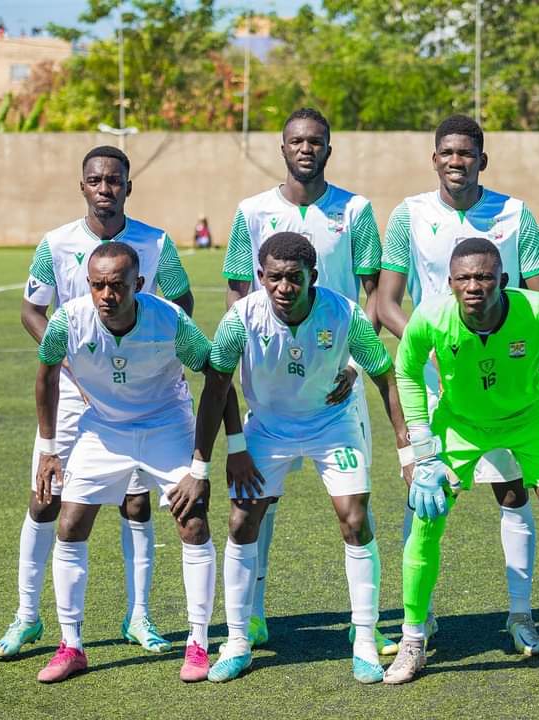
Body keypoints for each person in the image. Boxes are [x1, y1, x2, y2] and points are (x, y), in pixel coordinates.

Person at [0, 145, 194, 660]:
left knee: (136, 499)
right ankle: (27, 616)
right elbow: (32, 310)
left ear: (129, 186)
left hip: (141, 393)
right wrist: (70, 363)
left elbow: (181, 306)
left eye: (114, 180)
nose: (105, 188)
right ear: (82, 185)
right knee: (46, 496)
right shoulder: (56, 243)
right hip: (73, 386)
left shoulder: (155, 242)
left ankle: (140, 615)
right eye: (95, 180)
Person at [376, 115, 539, 654]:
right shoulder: (409, 214)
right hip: (434, 384)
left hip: (503, 381)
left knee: (511, 489)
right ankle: (420, 620)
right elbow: (386, 302)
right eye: (447, 152)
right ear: (435, 158)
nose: (457, 161)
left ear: (483, 158)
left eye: (467, 153)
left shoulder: (515, 213)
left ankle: (520, 615)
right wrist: (429, 345)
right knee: (423, 495)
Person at [385, 238, 539, 689]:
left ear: (503, 280)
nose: (474, 286)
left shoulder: (538, 312)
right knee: (424, 518)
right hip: (460, 424)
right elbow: (405, 371)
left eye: (484, 277)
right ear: (449, 283)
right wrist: (422, 450)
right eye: (464, 278)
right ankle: (412, 638)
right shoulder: (430, 317)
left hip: (531, 419)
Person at [195, 232, 409, 684]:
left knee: (354, 518)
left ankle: (365, 639)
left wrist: (408, 450)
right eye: (274, 278)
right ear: (260, 277)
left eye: (295, 277)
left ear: (313, 276)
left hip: (331, 423)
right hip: (268, 428)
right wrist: (221, 456)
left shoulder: (344, 313)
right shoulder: (241, 319)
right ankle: (237, 640)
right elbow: (216, 387)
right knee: (240, 521)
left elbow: (386, 378)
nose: (284, 288)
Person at [220, 107, 390, 653]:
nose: (306, 149)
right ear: (283, 147)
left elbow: (374, 294)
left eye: (315, 141)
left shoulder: (356, 209)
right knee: (255, 505)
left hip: (338, 379)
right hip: (272, 385)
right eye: (296, 141)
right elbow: (238, 293)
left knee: (353, 507)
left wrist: (356, 365)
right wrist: (251, 363)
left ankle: (365, 627)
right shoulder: (251, 211)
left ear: (328, 149)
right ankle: (252, 618)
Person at [32, 243, 219, 683]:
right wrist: (48, 447)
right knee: (70, 522)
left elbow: (216, 375)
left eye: (117, 285)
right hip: (104, 426)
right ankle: (71, 645)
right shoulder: (66, 321)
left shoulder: (170, 320)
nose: (106, 295)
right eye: (97, 285)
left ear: (137, 284)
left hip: (165, 422)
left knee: (191, 521)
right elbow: (45, 376)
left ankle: (197, 643)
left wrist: (201, 466)